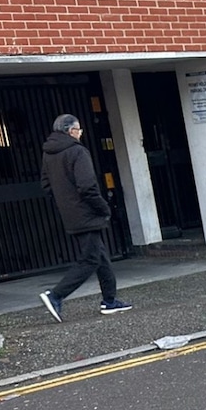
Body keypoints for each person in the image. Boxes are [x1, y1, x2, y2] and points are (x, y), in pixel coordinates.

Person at [38, 114, 132, 320]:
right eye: (79, 130)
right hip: (86, 212)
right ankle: (56, 295)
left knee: (100, 256)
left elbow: (46, 185)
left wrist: (66, 202)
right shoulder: (77, 151)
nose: (80, 133)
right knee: (90, 259)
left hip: (70, 213)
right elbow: (87, 186)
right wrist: (103, 208)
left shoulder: (49, 154)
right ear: (71, 131)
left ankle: (109, 300)